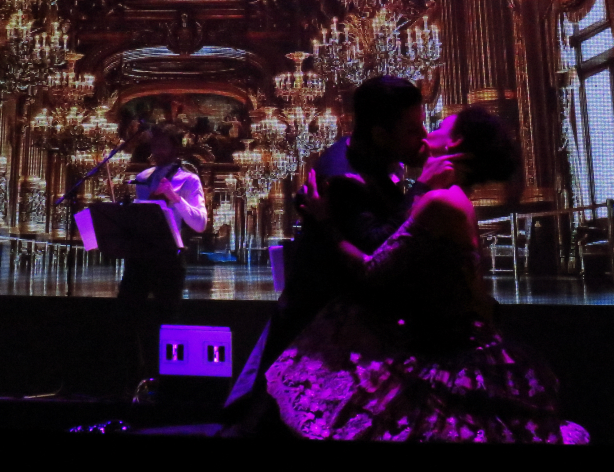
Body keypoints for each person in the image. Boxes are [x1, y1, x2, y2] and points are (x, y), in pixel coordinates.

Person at [265, 107, 589, 443]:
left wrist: (326, 221)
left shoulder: (440, 202)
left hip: (452, 353)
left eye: (435, 128)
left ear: (455, 143)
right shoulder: (453, 198)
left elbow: (372, 270)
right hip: (447, 340)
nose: (424, 134)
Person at [222, 76, 459, 435]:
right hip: (323, 331)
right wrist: (422, 190)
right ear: (380, 134)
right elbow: (380, 250)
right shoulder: (344, 179)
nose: (424, 136)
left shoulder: (375, 156)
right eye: (413, 129)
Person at [120, 124, 207, 394]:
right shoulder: (144, 176)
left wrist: (174, 197)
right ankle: (134, 374)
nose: (157, 150)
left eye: (163, 145)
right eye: (154, 145)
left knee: (168, 317)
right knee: (126, 311)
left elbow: (200, 223)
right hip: (140, 254)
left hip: (168, 256)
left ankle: (169, 381)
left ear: (175, 148)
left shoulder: (188, 179)